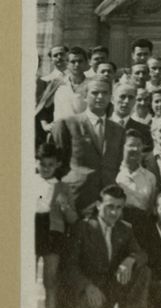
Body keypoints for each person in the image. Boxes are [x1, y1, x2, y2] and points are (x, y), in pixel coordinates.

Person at [63, 185, 150, 308]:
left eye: (119, 207)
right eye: (109, 206)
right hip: (92, 290)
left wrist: (130, 260)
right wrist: (87, 286)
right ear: (98, 205)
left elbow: (142, 254)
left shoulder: (125, 228)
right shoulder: (83, 227)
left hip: (113, 287)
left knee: (143, 271)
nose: (114, 212)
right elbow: (70, 265)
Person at [50, 77, 125, 215]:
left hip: (107, 201)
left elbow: (117, 163)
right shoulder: (67, 124)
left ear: (110, 97)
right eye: (95, 93)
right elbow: (58, 165)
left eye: (105, 93)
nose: (100, 97)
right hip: (76, 198)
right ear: (85, 96)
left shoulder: (118, 130)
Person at [33, 142, 76, 308]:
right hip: (32, 230)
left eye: (50, 164)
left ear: (57, 164)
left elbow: (73, 219)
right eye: (43, 164)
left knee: (50, 281)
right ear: (37, 163)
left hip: (53, 233)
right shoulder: (29, 182)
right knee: (27, 278)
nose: (46, 168)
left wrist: (65, 206)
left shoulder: (63, 187)